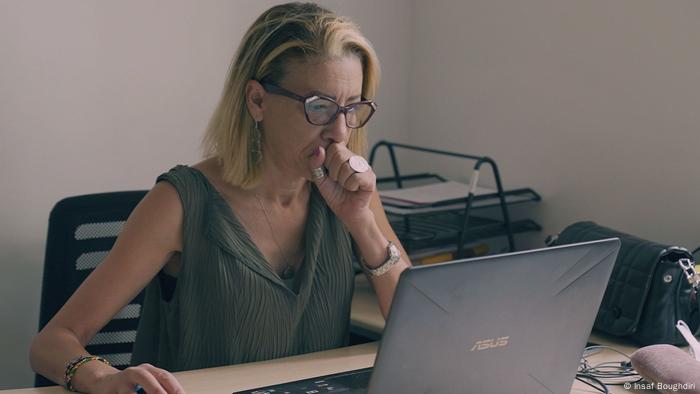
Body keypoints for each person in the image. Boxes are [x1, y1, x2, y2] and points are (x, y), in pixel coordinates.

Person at [30, 2, 411, 393]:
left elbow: (420, 329)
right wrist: (100, 376)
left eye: (352, 109)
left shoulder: (351, 195)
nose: (340, 133)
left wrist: (362, 223)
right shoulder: (179, 203)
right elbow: (52, 342)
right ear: (257, 100)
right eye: (319, 107)